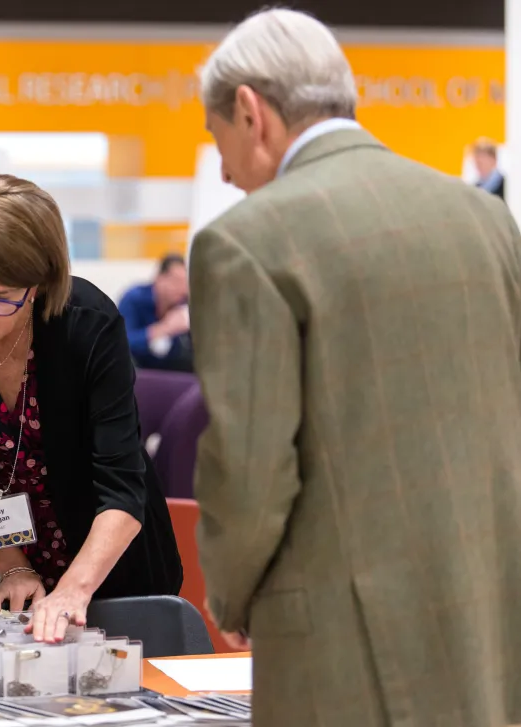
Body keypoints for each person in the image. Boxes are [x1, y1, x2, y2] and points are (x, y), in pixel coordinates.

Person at [191, 8, 521, 727]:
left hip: (341, 652)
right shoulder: (488, 222)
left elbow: (249, 472)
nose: (222, 169)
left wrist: (230, 592)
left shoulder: (245, 243)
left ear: (251, 111)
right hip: (490, 628)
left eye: (218, 139)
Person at [0, 171, 183, 644]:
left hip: (106, 567)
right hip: (0, 568)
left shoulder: (88, 325)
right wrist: (12, 567)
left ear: (38, 284)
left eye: (1, 298)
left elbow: (122, 486)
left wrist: (71, 591)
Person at [118, 254, 192, 371]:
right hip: (138, 368)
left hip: (172, 369)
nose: (182, 288)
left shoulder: (185, 303)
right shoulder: (134, 298)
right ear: (159, 279)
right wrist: (164, 328)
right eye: (176, 281)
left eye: (184, 282)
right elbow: (121, 342)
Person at [472, 137, 506, 201]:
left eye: (482, 159)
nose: (478, 165)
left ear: (494, 160)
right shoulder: (475, 188)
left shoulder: (505, 185)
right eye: (477, 162)